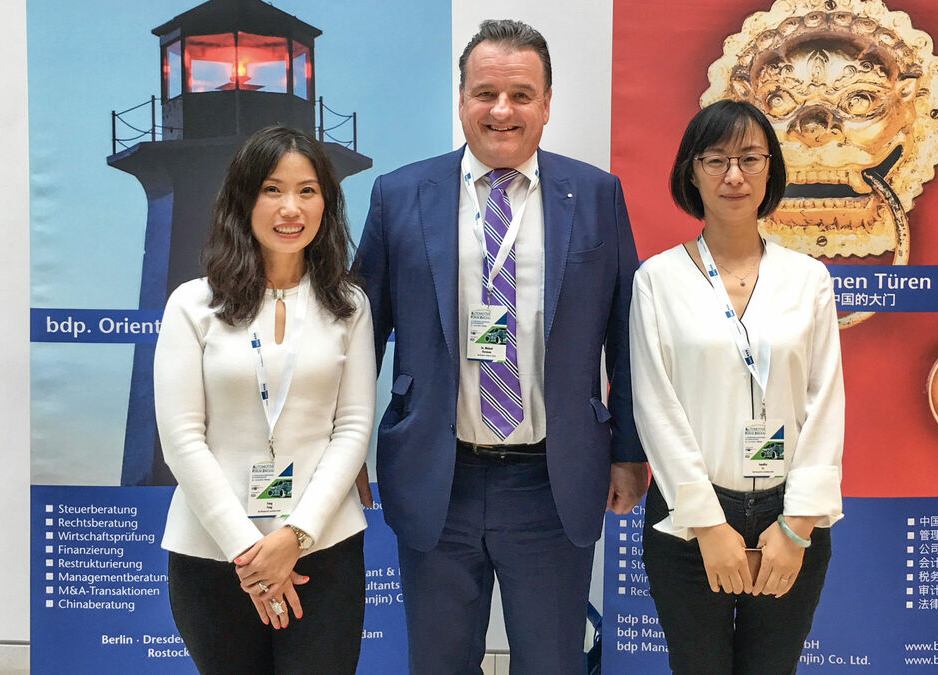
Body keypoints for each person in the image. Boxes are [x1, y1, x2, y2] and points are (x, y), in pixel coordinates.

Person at [354, 18, 646, 674]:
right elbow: (358, 333)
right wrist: (347, 452)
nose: (502, 110)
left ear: (547, 104)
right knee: (437, 663)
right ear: (460, 100)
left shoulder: (596, 195)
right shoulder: (400, 195)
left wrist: (629, 452)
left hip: (552, 479)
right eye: (485, 93)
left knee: (550, 663)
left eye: (521, 93)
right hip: (436, 476)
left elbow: (626, 333)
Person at [630, 100, 845, 674]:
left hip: (789, 518)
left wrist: (797, 526)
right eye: (716, 159)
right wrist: (708, 524)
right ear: (690, 171)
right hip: (689, 519)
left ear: (770, 169)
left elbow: (826, 403)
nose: (734, 175)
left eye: (750, 158)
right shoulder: (657, 279)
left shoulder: (809, 280)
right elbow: (654, 406)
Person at [154, 126, 375, 674]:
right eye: (272, 189)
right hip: (213, 553)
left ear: (327, 200)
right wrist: (251, 556)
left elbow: (352, 428)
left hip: (324, 550)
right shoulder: (192, 304)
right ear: (243, 198)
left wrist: (294, 538)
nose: (290, 208)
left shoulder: (348, 305)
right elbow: (182, 438)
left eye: (307, 190)